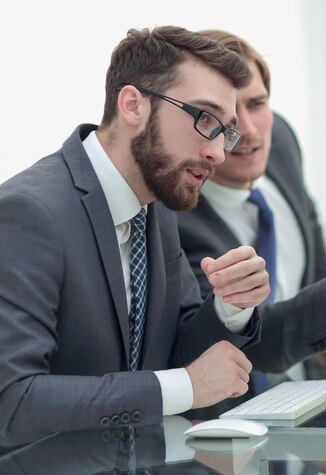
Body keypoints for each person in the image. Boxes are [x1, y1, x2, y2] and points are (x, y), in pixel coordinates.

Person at [0, 26, 272, 446]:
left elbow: (176, 352)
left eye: (225, 131)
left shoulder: (155, 205)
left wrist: (230, 307)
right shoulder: (29, 213)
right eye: (205, 119)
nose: (218, 153)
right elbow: (13, 401)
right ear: (132, 106)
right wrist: (182, 387)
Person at [177, 29, 326, 409]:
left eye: (257, 104)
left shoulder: (280, 141)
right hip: (234, 429)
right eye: (225, 117)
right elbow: (253, 341)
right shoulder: (175, 217)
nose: (248, 132)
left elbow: (314, 273)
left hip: (317, 404)